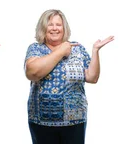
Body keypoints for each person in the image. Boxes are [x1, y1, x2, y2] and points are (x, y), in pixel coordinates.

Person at [24, 9, 114, 144]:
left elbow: (92, 77)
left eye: (58, 25)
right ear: (43, 28)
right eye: (50, 24)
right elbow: (33, 73)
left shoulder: (77, 49)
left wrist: (95, 51)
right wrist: (61, 51)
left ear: (64, 28)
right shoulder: (36, 48)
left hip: (75, 120)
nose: (55, 28)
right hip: (41, 121)